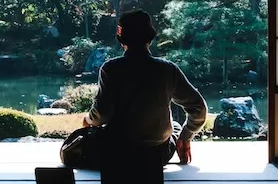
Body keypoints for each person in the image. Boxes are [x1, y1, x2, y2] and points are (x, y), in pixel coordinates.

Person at [81, 9, 208, 166]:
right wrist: (185, 136)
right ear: (150, 37)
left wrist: (87, 120)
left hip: (117, 153)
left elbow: (102, 115)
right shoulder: (167, 69)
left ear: (121, 37)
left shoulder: (112, 68)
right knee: (174, 126)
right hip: (158, 154)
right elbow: (199, 108)